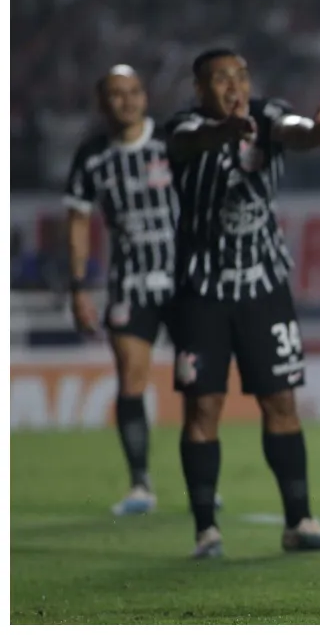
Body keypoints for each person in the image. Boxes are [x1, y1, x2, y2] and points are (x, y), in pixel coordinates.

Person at [164, 48, 320, 558]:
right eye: (220, 78)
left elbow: (292, 128)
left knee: (282, 402)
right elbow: (188, 142)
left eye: (240, 75)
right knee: (204, 405)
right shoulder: (182, 127)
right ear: (200, 90)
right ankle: (206, 531)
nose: (233, 85)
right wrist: (223, 133)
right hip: (201, 293)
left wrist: (317, 131)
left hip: (264, 287)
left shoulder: (266, 116)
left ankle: (300, 523)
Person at [64, 65, 179, 515]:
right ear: (102, 102)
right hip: (130, 283)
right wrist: (78, 288)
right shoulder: (92, 157)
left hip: (184, 281)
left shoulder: (172, 143)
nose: (126, 101)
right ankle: (140, 484)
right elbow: (76, 221)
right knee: (132, 375)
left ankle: (199, 474)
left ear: (144, 97)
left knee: (198, 382)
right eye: (116, 94)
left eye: (133, 91)